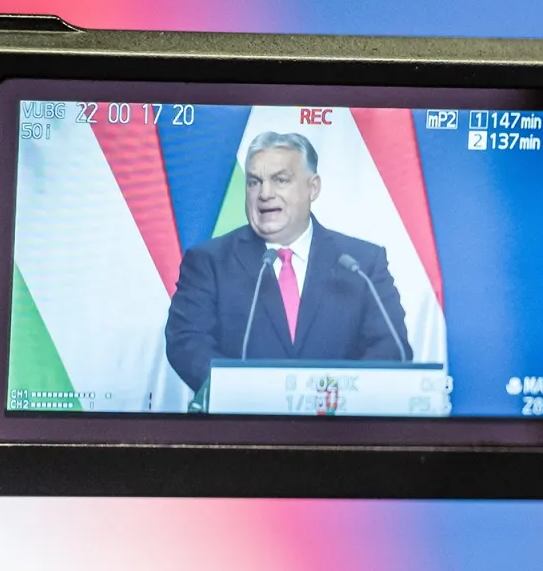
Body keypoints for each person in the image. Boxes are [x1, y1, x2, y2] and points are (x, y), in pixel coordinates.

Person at [165, 130, 411, 392]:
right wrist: (247, 395)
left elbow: (391, 346)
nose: (264, 194)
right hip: (242, 426)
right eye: (254, 182)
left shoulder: (362, 263)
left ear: (312, 188)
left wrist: (333, 398)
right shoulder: (209, 262)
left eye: (280, 180)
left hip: (338, 428)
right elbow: (186, 344)